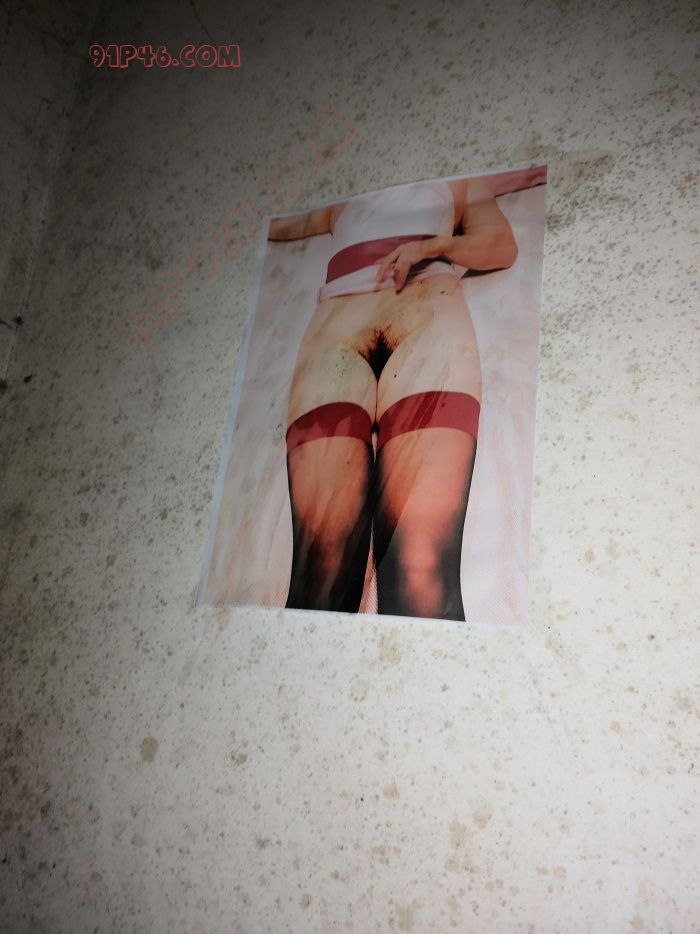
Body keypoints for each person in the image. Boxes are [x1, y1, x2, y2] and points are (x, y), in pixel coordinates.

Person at [268, 174, 519, 620]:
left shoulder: (461, 186)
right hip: (337, 328)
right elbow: (272, 223)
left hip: (428, 312)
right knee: (320, 571)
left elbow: (501, 246)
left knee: (421, 569)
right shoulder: (340, 199)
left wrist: (430, 248)